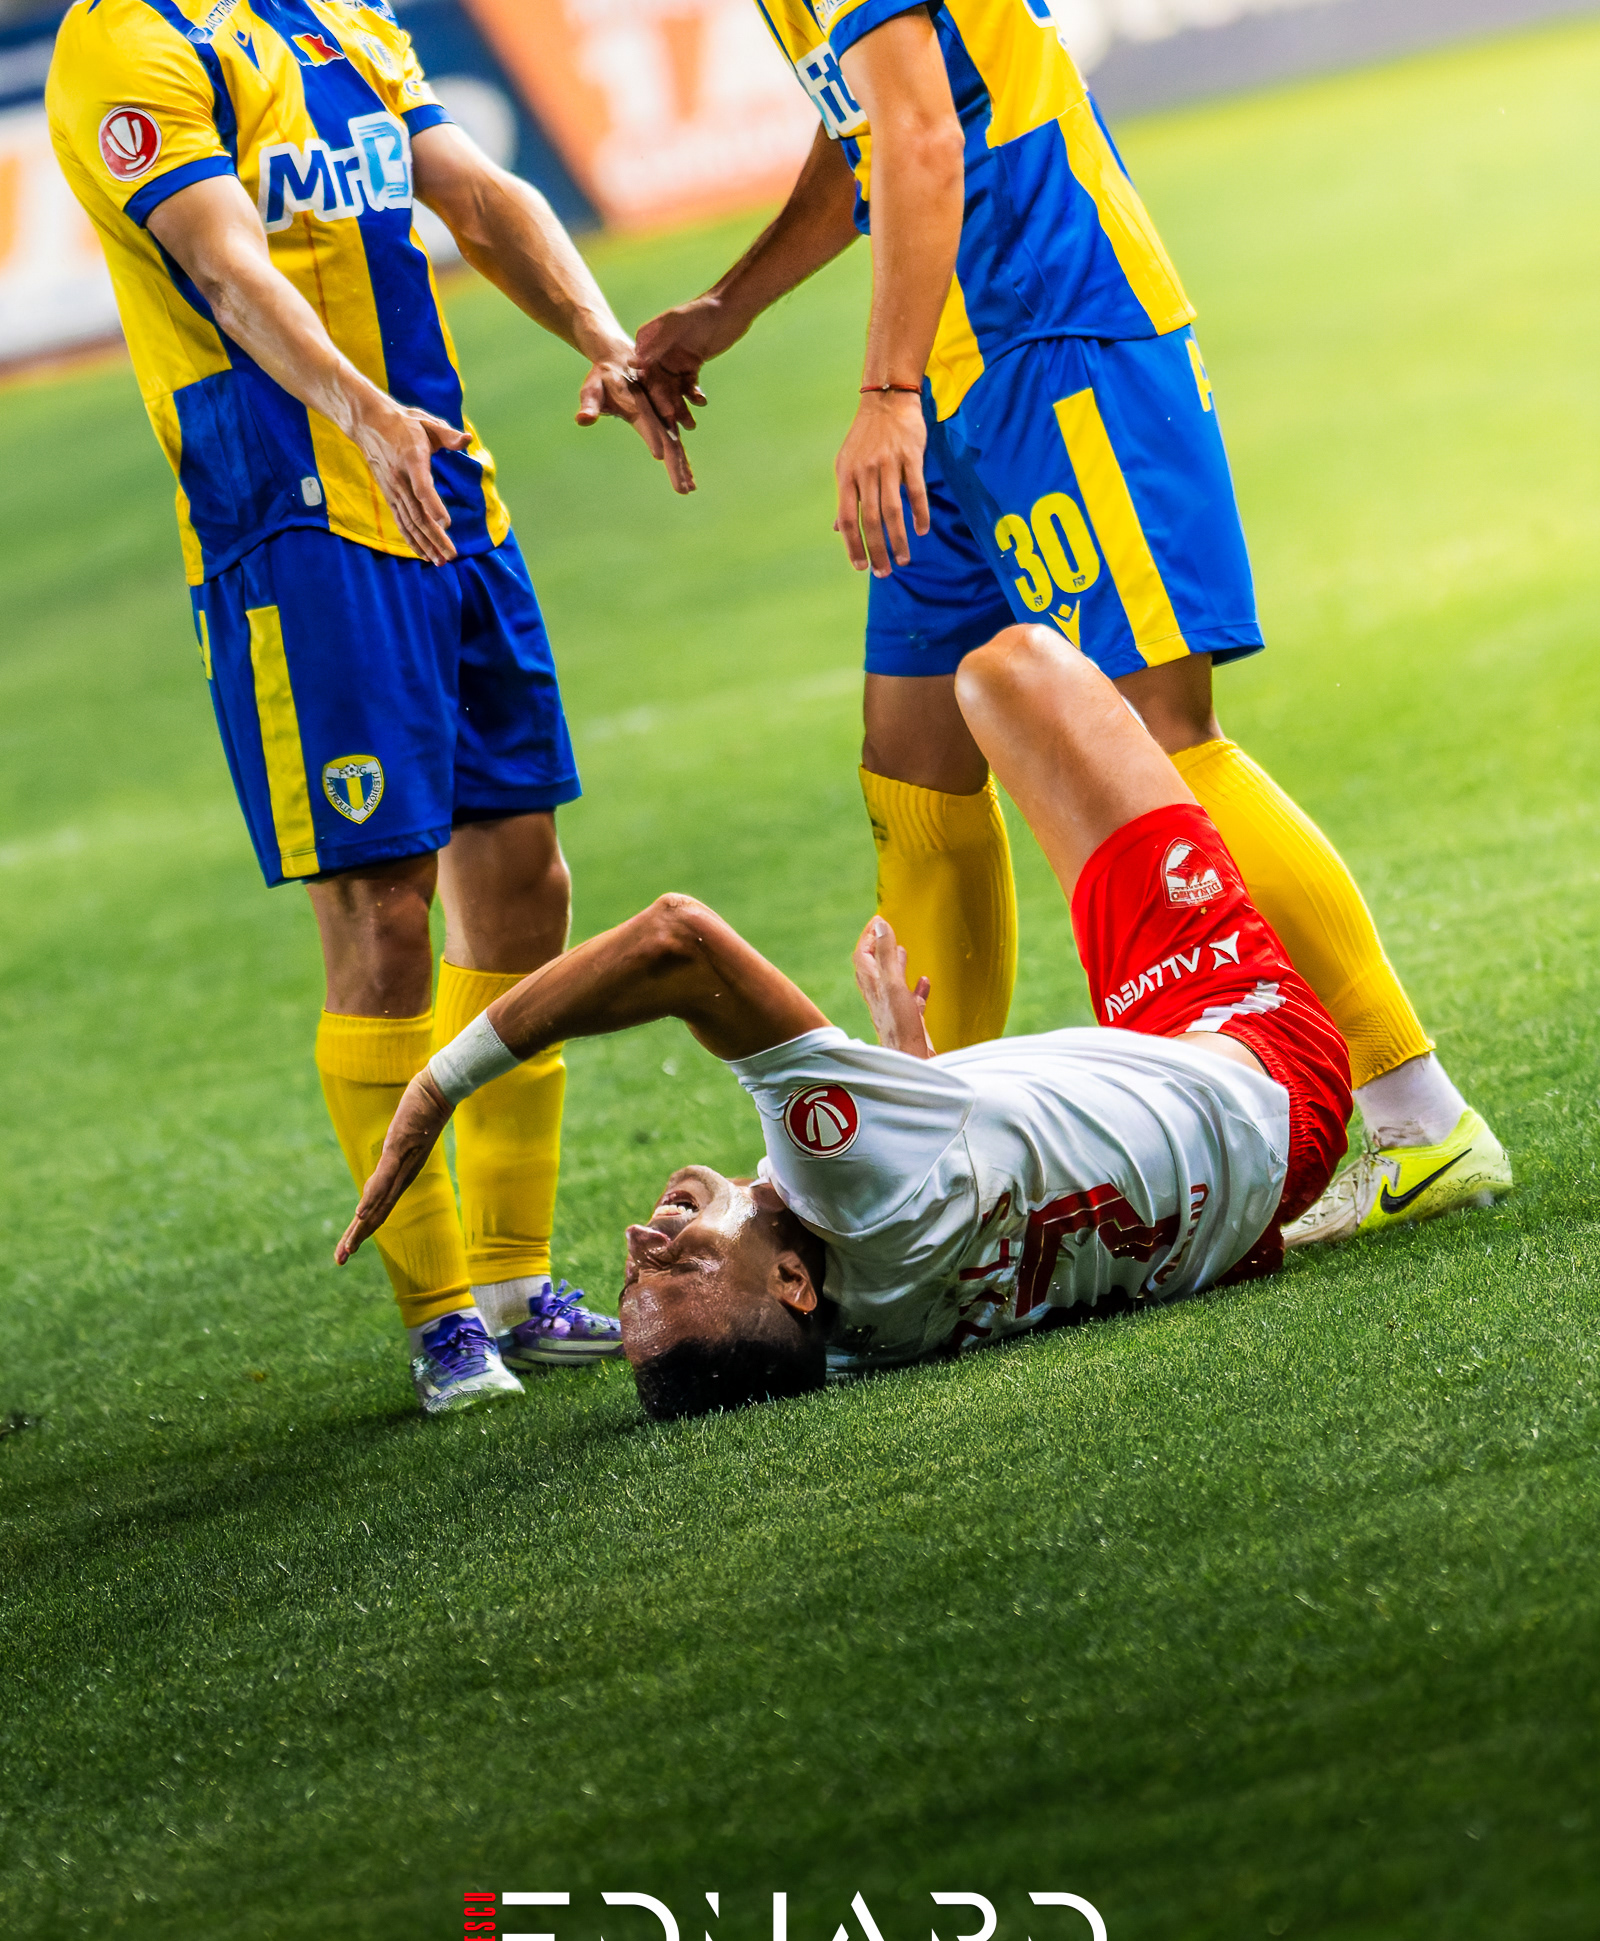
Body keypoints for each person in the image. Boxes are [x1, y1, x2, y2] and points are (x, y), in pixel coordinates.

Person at [627, 0, 1510, 1246]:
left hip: (1052, 334)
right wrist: (731, 304)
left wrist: (881, 391)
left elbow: (923, 135)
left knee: (1159, 738)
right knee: (913, 766)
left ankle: (1422, 1121)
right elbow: (868, 127)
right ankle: (927, 1170)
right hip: (949, 374)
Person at [46, 0, 690, 1413]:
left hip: (445, 487)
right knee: (381, 911)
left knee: (522, 881)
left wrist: (603, 335)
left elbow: (476, 194)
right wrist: (360, 412)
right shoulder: (127, 44)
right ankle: (441, 1316)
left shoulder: (341, 15)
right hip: (296, 522)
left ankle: (517, 1283)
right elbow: (226, 268)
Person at [337, 624, 1352, 1418]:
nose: (645, 1234)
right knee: (1012, 672)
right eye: (685, 1258)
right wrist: (439, 1084)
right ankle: (1417, 1104)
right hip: (1258, 1060)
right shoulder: (846, 1183)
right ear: (792, 1279)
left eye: (637, 1267)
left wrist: (916, 1081)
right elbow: (677, 942)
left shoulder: (839, 1347)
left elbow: (913, 1211)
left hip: (1225, 1217)